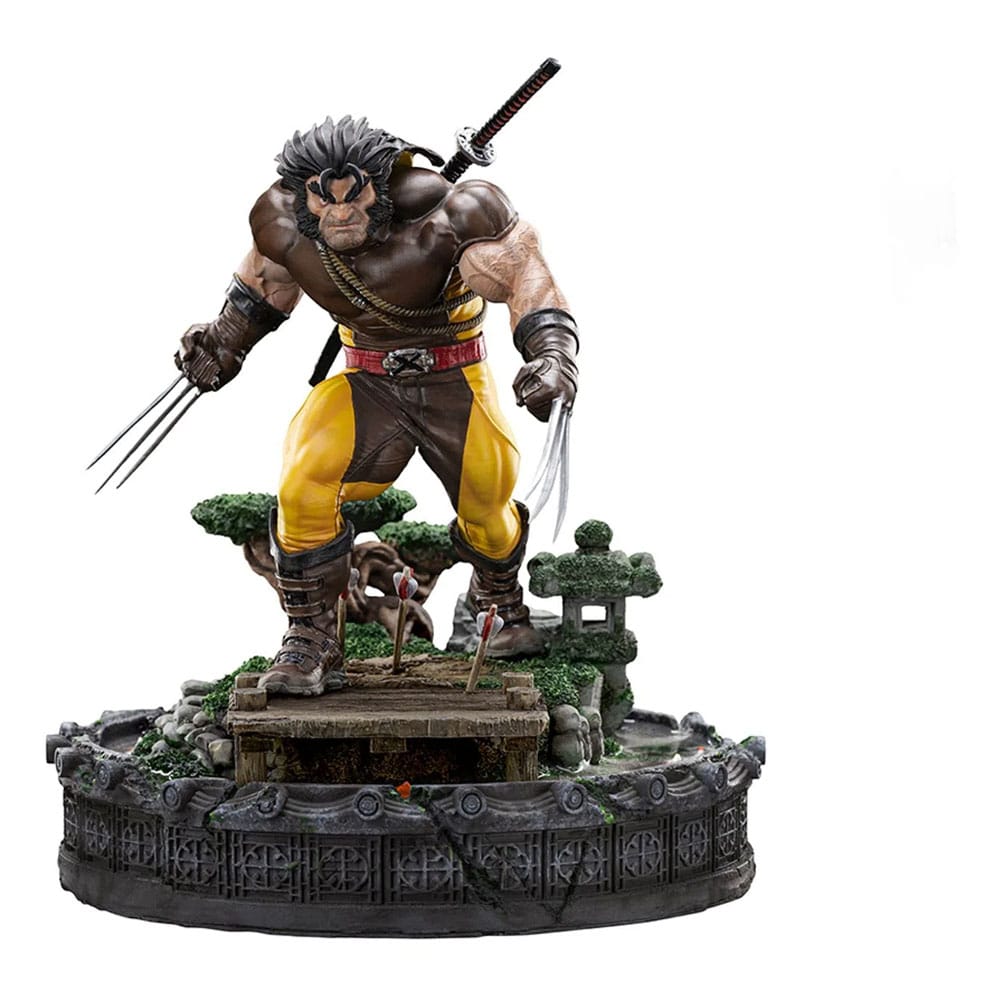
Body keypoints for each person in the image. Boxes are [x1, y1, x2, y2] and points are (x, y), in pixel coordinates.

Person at [176, 116, 578, 695]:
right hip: (366, 379)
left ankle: (497, 594)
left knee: (488, 506)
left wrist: (552, 353)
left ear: (383, 184)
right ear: (303, 192)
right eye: (325, 197)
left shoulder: (454, 213)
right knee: (303, 482)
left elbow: (525, 280)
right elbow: (260, 290)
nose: (340, 213)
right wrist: (220, 344)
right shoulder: (281, 223)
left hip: (453, 376)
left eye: (354, 195)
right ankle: (312, 638)